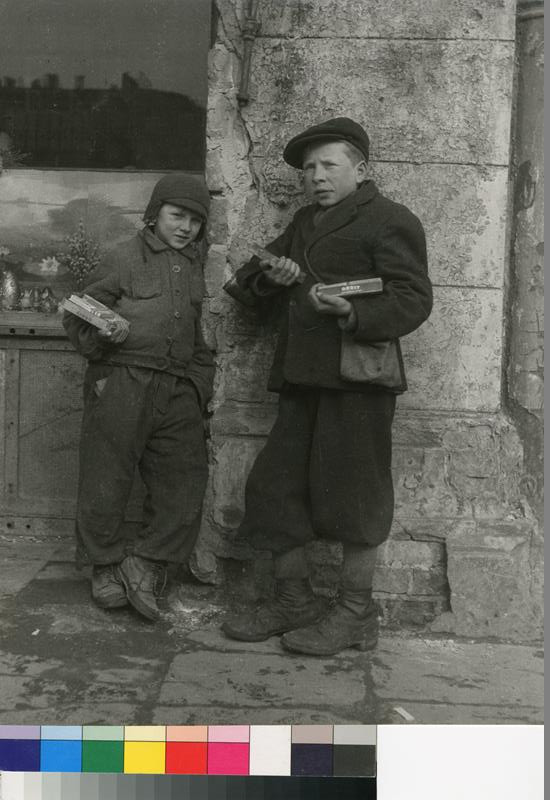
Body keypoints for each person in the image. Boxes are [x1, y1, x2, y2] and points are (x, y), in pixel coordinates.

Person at [222, 118, 432, 655]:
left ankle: (357, 615)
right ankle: (296, 602)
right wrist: (274, 275)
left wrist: (353, 311)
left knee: (357, 500)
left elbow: (413, 299)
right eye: (308, 169)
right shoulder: (302, 222)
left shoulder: (391, 220)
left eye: (328, 165)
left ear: (360, 170)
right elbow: (249, 281)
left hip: (358, 384)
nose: (315, 177)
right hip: (302, 378)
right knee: (273, 491)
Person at [63, 174, 214, 621]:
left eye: (195, 221)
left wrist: (197, 386)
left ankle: (144, 563)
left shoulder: (193, 266)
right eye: (176, 216)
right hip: (121, 381)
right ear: (154, 215)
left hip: (176, 387)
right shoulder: (122, 258)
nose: (186, 227)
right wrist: (103, 332)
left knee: (185, 481)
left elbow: (197, 335)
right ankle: (104, 567)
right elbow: (78, 314)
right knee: (105, 479)